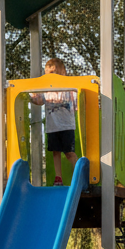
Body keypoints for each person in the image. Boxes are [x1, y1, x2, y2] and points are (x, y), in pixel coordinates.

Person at [28, 58, 78, 186]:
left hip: (67, 126)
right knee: (55, 152)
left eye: (53, 73)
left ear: (62, 74)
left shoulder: (69, 89)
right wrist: (32, 97)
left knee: (69, 152)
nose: (50, 77)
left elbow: (77, 102)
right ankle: (58, 178)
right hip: (52, 127)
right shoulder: (46, 91)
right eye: (48, 74)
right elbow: (38, 101)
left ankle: (77, 174)